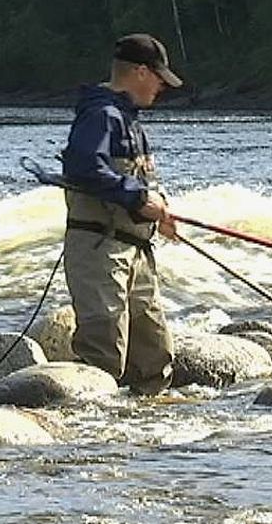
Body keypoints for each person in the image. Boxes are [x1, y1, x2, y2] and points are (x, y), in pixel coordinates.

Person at [62, 33, 183, 395]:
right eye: (160, 78)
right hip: (100, 249)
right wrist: (138, 198)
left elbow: (134, 179)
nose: (162, 87)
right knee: (104, 350)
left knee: (155, 355)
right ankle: (93, 437)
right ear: (141, 72)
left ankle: (146, 437)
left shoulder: (127, 119)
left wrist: (159, 211)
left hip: (136, 251)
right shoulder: (100, 114)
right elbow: (85, 167)